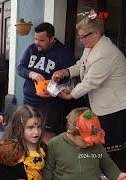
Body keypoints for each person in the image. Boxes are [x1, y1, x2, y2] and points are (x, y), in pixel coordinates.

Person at [53, 15, 126, 171]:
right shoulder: (91, 47)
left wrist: (71, 94)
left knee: (113, 149)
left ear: (97, 34)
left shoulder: (106, 52)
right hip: (100, 105)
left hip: (114, 108)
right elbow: (81, 65)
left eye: (84, 37)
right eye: (79, 37)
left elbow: (90, 81)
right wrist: (65, 71)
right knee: (102, 146)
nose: (81, 41)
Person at [17, 22, 76, 142]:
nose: (37, 43)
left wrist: (56, 89)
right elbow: (20, 68)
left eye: (41, 40)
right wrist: (31, 74)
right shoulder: (31, 49)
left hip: (50, 104)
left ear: (51, 38)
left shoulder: (63, 52)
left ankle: (47, 160)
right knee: (27, 131)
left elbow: (71, 80)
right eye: (35, 39)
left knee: (46, 135)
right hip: (29, 100)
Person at [43, 107, 126, 180]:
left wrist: (119, 176)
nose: (90, 143)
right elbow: (48, 170)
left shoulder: (96, 145)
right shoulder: (55, 144)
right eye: (85, 141)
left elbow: (108, 165)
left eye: (93, 139)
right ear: (70, 134)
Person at [0, 105, 46, 180]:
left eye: (39, 126)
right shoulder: (9, 150)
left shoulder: (42, 147)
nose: (36, 132)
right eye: (30, 127)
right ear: (19, 127)